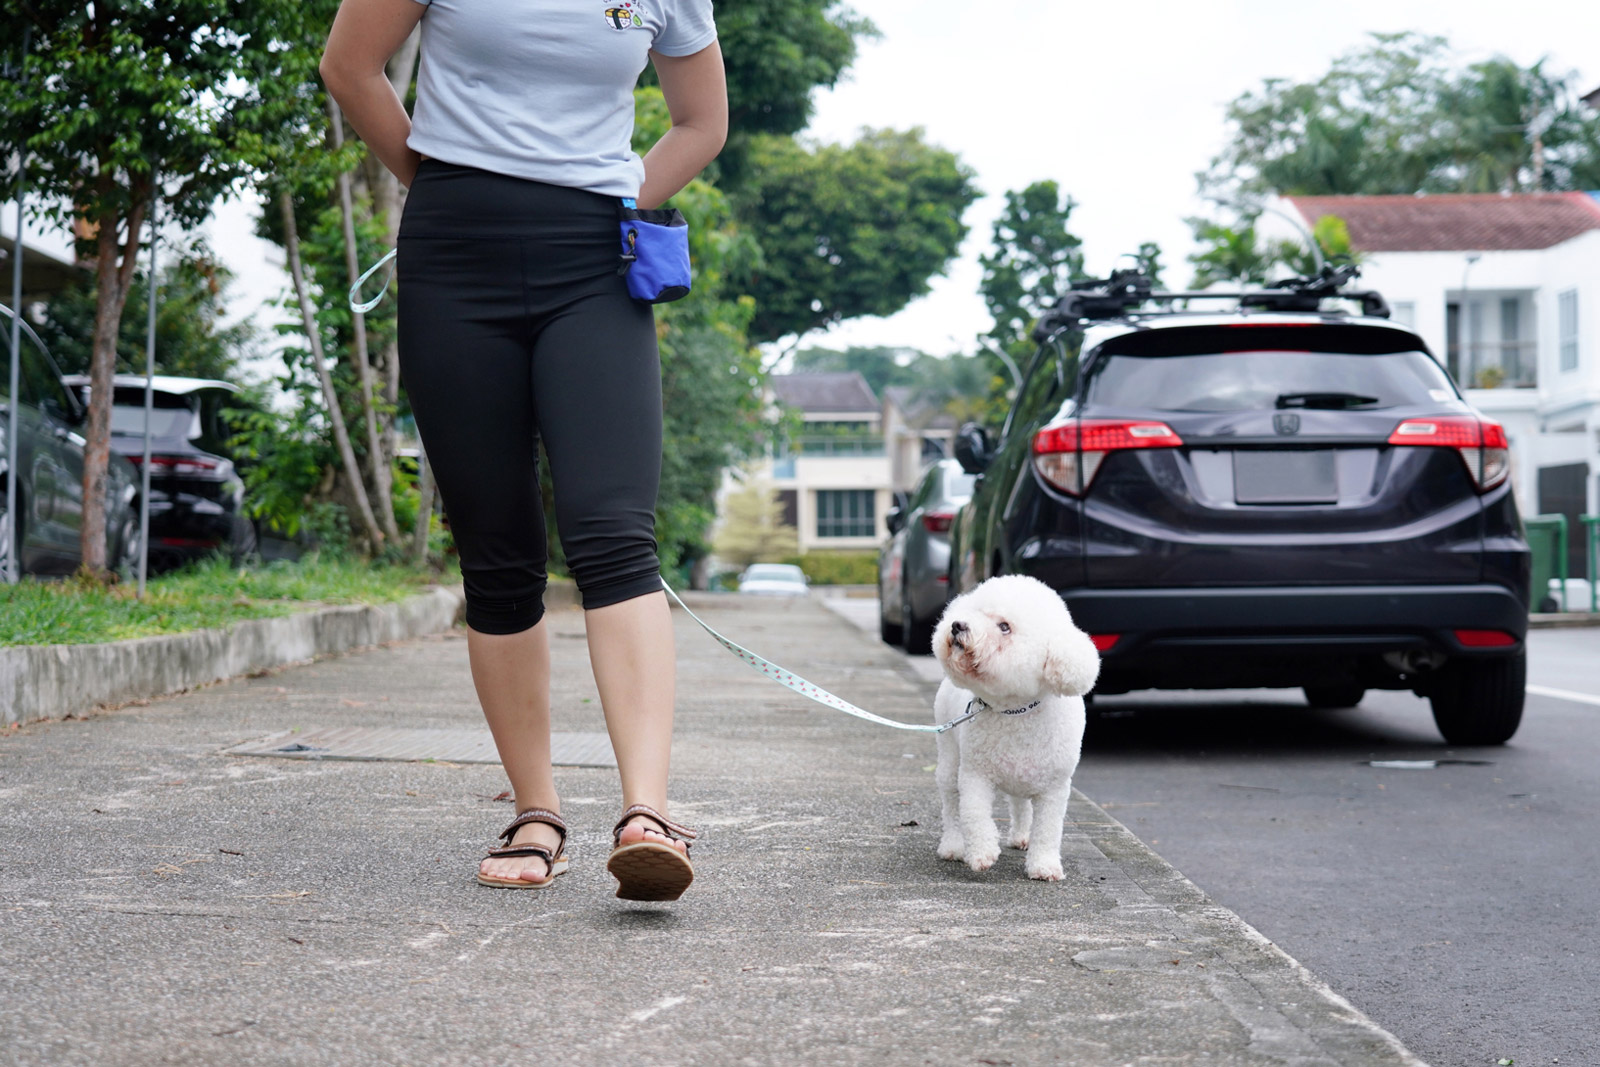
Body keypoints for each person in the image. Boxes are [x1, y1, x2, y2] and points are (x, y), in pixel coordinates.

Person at [320, 0, 726, 901]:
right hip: (453, 257)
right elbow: (349, 65)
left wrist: (624, 194)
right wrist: (434, 182)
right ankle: (536, 810)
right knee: (497, 548)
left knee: (614, 532)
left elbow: (702, 121)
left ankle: (646, 815)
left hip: (594, 261)